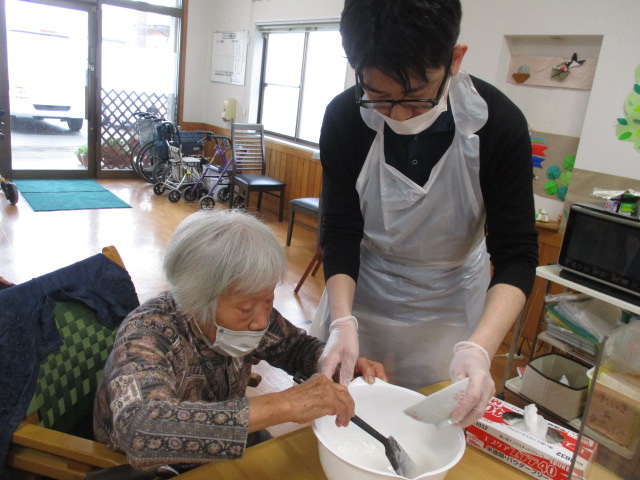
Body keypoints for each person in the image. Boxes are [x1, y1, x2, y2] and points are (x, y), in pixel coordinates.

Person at [310, 0, 538, 428]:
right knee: (347, 410)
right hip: (363, 290)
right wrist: (342, 319)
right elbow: (340, 230)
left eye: (415, 98)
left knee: (430, 422)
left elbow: (517, 254)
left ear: (454, 59)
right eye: (378, 97)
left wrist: (480, 348)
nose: (397, 115)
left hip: (449, 303)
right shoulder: (345, 117)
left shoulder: (497, 124)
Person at [93, 209, 386, 472]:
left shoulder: (255, 313)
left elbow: (295, 347)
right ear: (199, 301)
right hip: (153, 468)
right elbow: (141, 430)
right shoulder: (146, 336)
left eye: (268, 300)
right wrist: (284, 405)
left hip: (225, 450)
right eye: (246, 308)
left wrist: (333, 362)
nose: (261, 320)